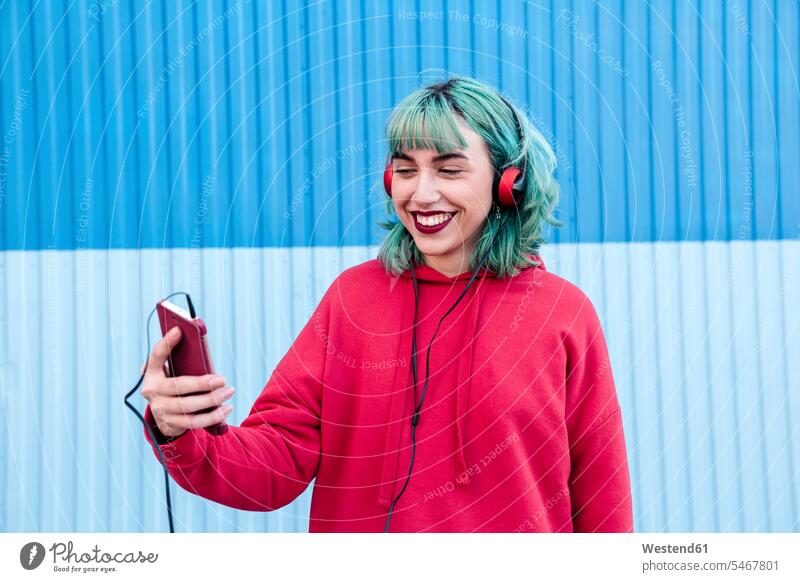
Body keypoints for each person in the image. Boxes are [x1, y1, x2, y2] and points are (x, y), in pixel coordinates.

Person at [140, 76, 634, 533]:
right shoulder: (352, 300)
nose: (421, 194)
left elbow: (604, 504)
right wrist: (179, 431)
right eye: (404, 170)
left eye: (449, 169)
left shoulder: (563, 313)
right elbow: (273, 467)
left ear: (508, 182)